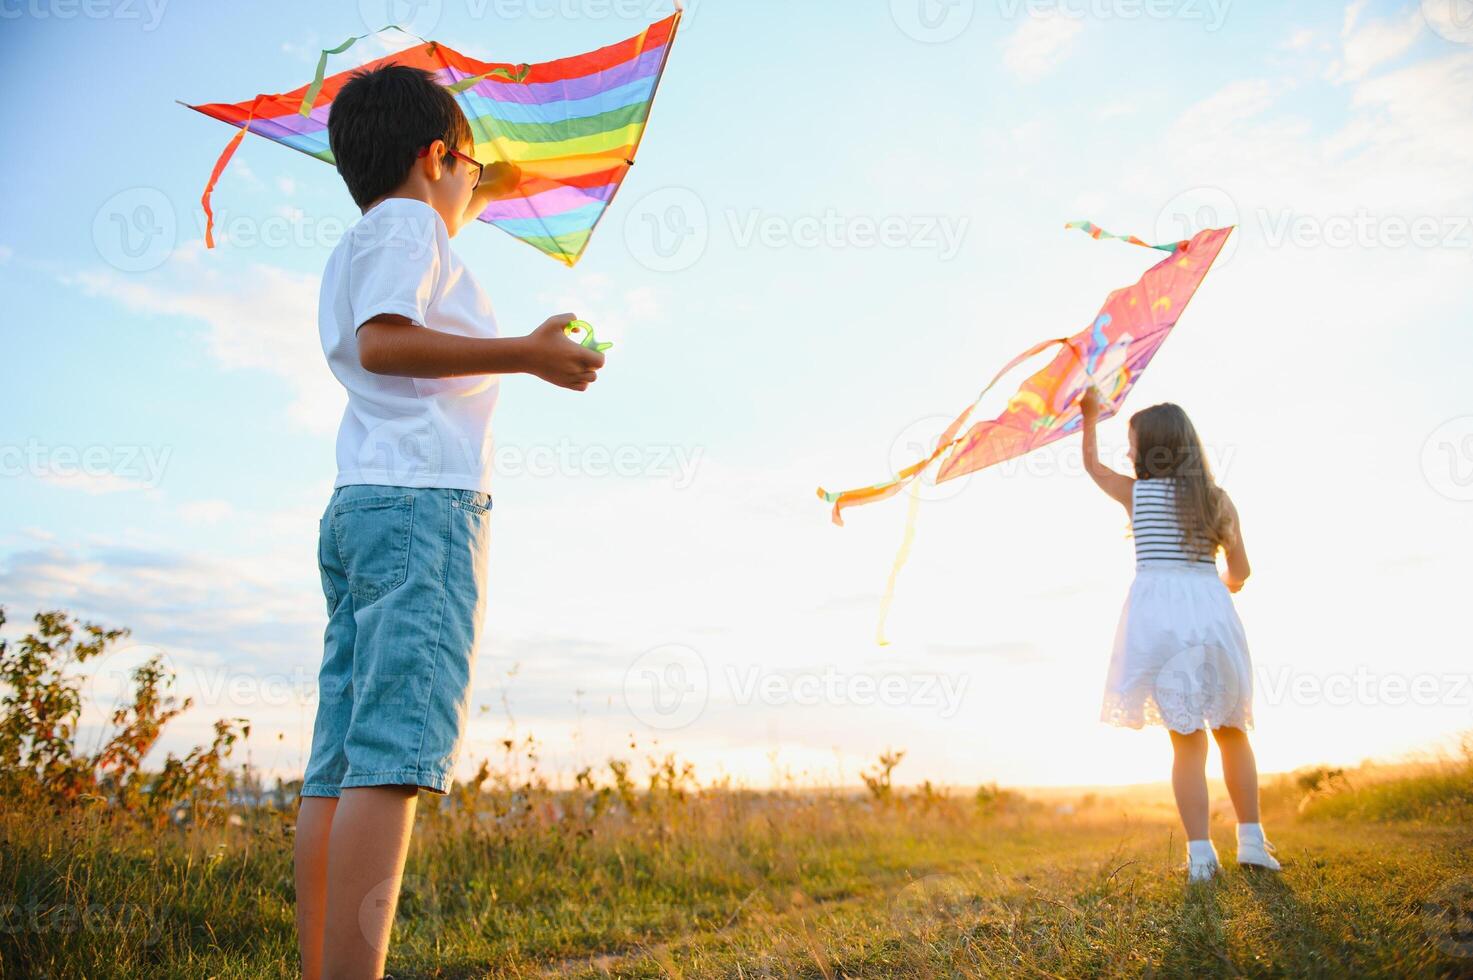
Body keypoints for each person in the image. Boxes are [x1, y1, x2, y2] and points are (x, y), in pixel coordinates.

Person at [293, 64, 605, 978]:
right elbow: (386, 343)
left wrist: (480, 177)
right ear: (434, 157)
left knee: (341, 761)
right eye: (469, 164)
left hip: (364, 503)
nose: (477, 183)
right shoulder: (409, 225)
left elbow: (379, 334)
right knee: (392, 760)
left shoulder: (366, 234)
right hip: (420, 510)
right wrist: (527, 354)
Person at [1079, 387, 1280, 883]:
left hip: (1157, 622)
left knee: (1186, 741)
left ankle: (1201, 856)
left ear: (1149, 449)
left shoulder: (1136, 494)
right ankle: (1252, 842)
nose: (1127, 452)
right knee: (1232, 732)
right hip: (1210, 612)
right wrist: (1219, 586)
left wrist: (1088, 417)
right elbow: (1242, 571)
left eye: (1131, 443)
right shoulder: (1217, 500)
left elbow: (1093, 467)